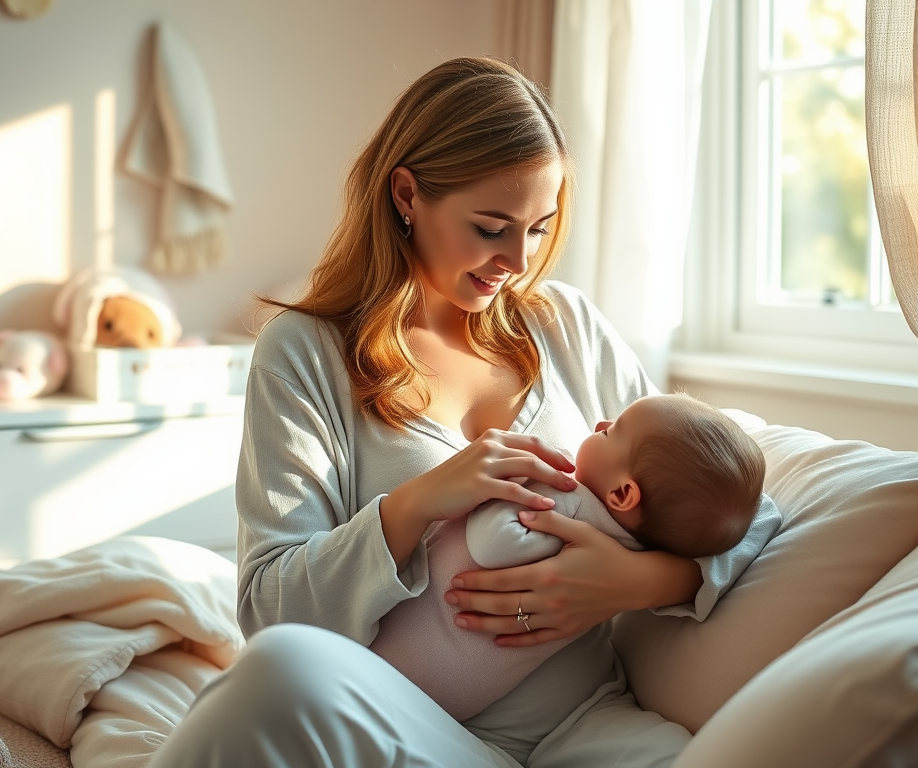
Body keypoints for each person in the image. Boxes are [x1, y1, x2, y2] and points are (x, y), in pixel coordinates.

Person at [147, 56, 782, 768]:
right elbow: (270, 611)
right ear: (407, 194)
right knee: (274, 675)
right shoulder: (305, 353)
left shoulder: (564, 325)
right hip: (409, 728)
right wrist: (416, 503)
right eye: (491, 226)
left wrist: (641, 580)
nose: (517, 258)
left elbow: (736, 490)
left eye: (539, 228)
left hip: (587, 727)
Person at [370, 392, 769, 721]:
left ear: (622, 494)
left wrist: (507, 483)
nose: (599, 424)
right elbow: (737, 508)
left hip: (407, 674)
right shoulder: (642, 537)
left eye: (613, 432)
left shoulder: (568, 498)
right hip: (450, 697)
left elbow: (494, 545)